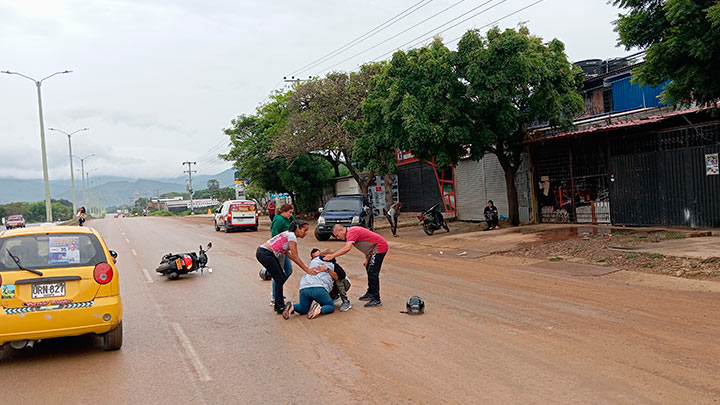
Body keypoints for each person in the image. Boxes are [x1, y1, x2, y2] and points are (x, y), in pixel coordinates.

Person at [255, 220, 318, 319]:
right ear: (297, 228)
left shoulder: (288, 235)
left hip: (264, 253)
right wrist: (307, 270)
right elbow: (296, 257)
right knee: (279, 278)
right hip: (265, 254)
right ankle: (279, 306)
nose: (305, 233)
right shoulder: (292, 236)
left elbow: (289, 254)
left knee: (279, 278)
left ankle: (278, 305)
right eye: (304, 230)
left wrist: (306, 268)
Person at [324, 224, 388, 308]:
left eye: (337, 235)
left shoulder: (351, 232)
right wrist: (367, 260)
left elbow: (347, 248)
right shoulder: (351, 232)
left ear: (342, 230)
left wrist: (332, 255)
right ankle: (370, 293)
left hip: (380, 247)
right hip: (373, 249)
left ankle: (376, 299)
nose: (338, 238)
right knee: (369, 269)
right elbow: (366, 246)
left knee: (373, 272)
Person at [291, 249, 341, 319]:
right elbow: (336, 277)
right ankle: (319, 309)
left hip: (304, 287)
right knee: (330, 306)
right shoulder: (332, 264)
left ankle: (292, 306)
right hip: (319, 287)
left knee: (303, 308)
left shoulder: (313, 261)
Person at [268, 203, 295, 306]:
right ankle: (275, 296)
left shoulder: (287, 219)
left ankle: (277, 292)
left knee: (288, 271)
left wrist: (291, 216)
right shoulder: (279, 220)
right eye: (289, 212)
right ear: (283, 212)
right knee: (278, 274)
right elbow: (274, 234)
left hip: (284, 250)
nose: (290, 214)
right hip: (279, 250)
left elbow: (294, 224)